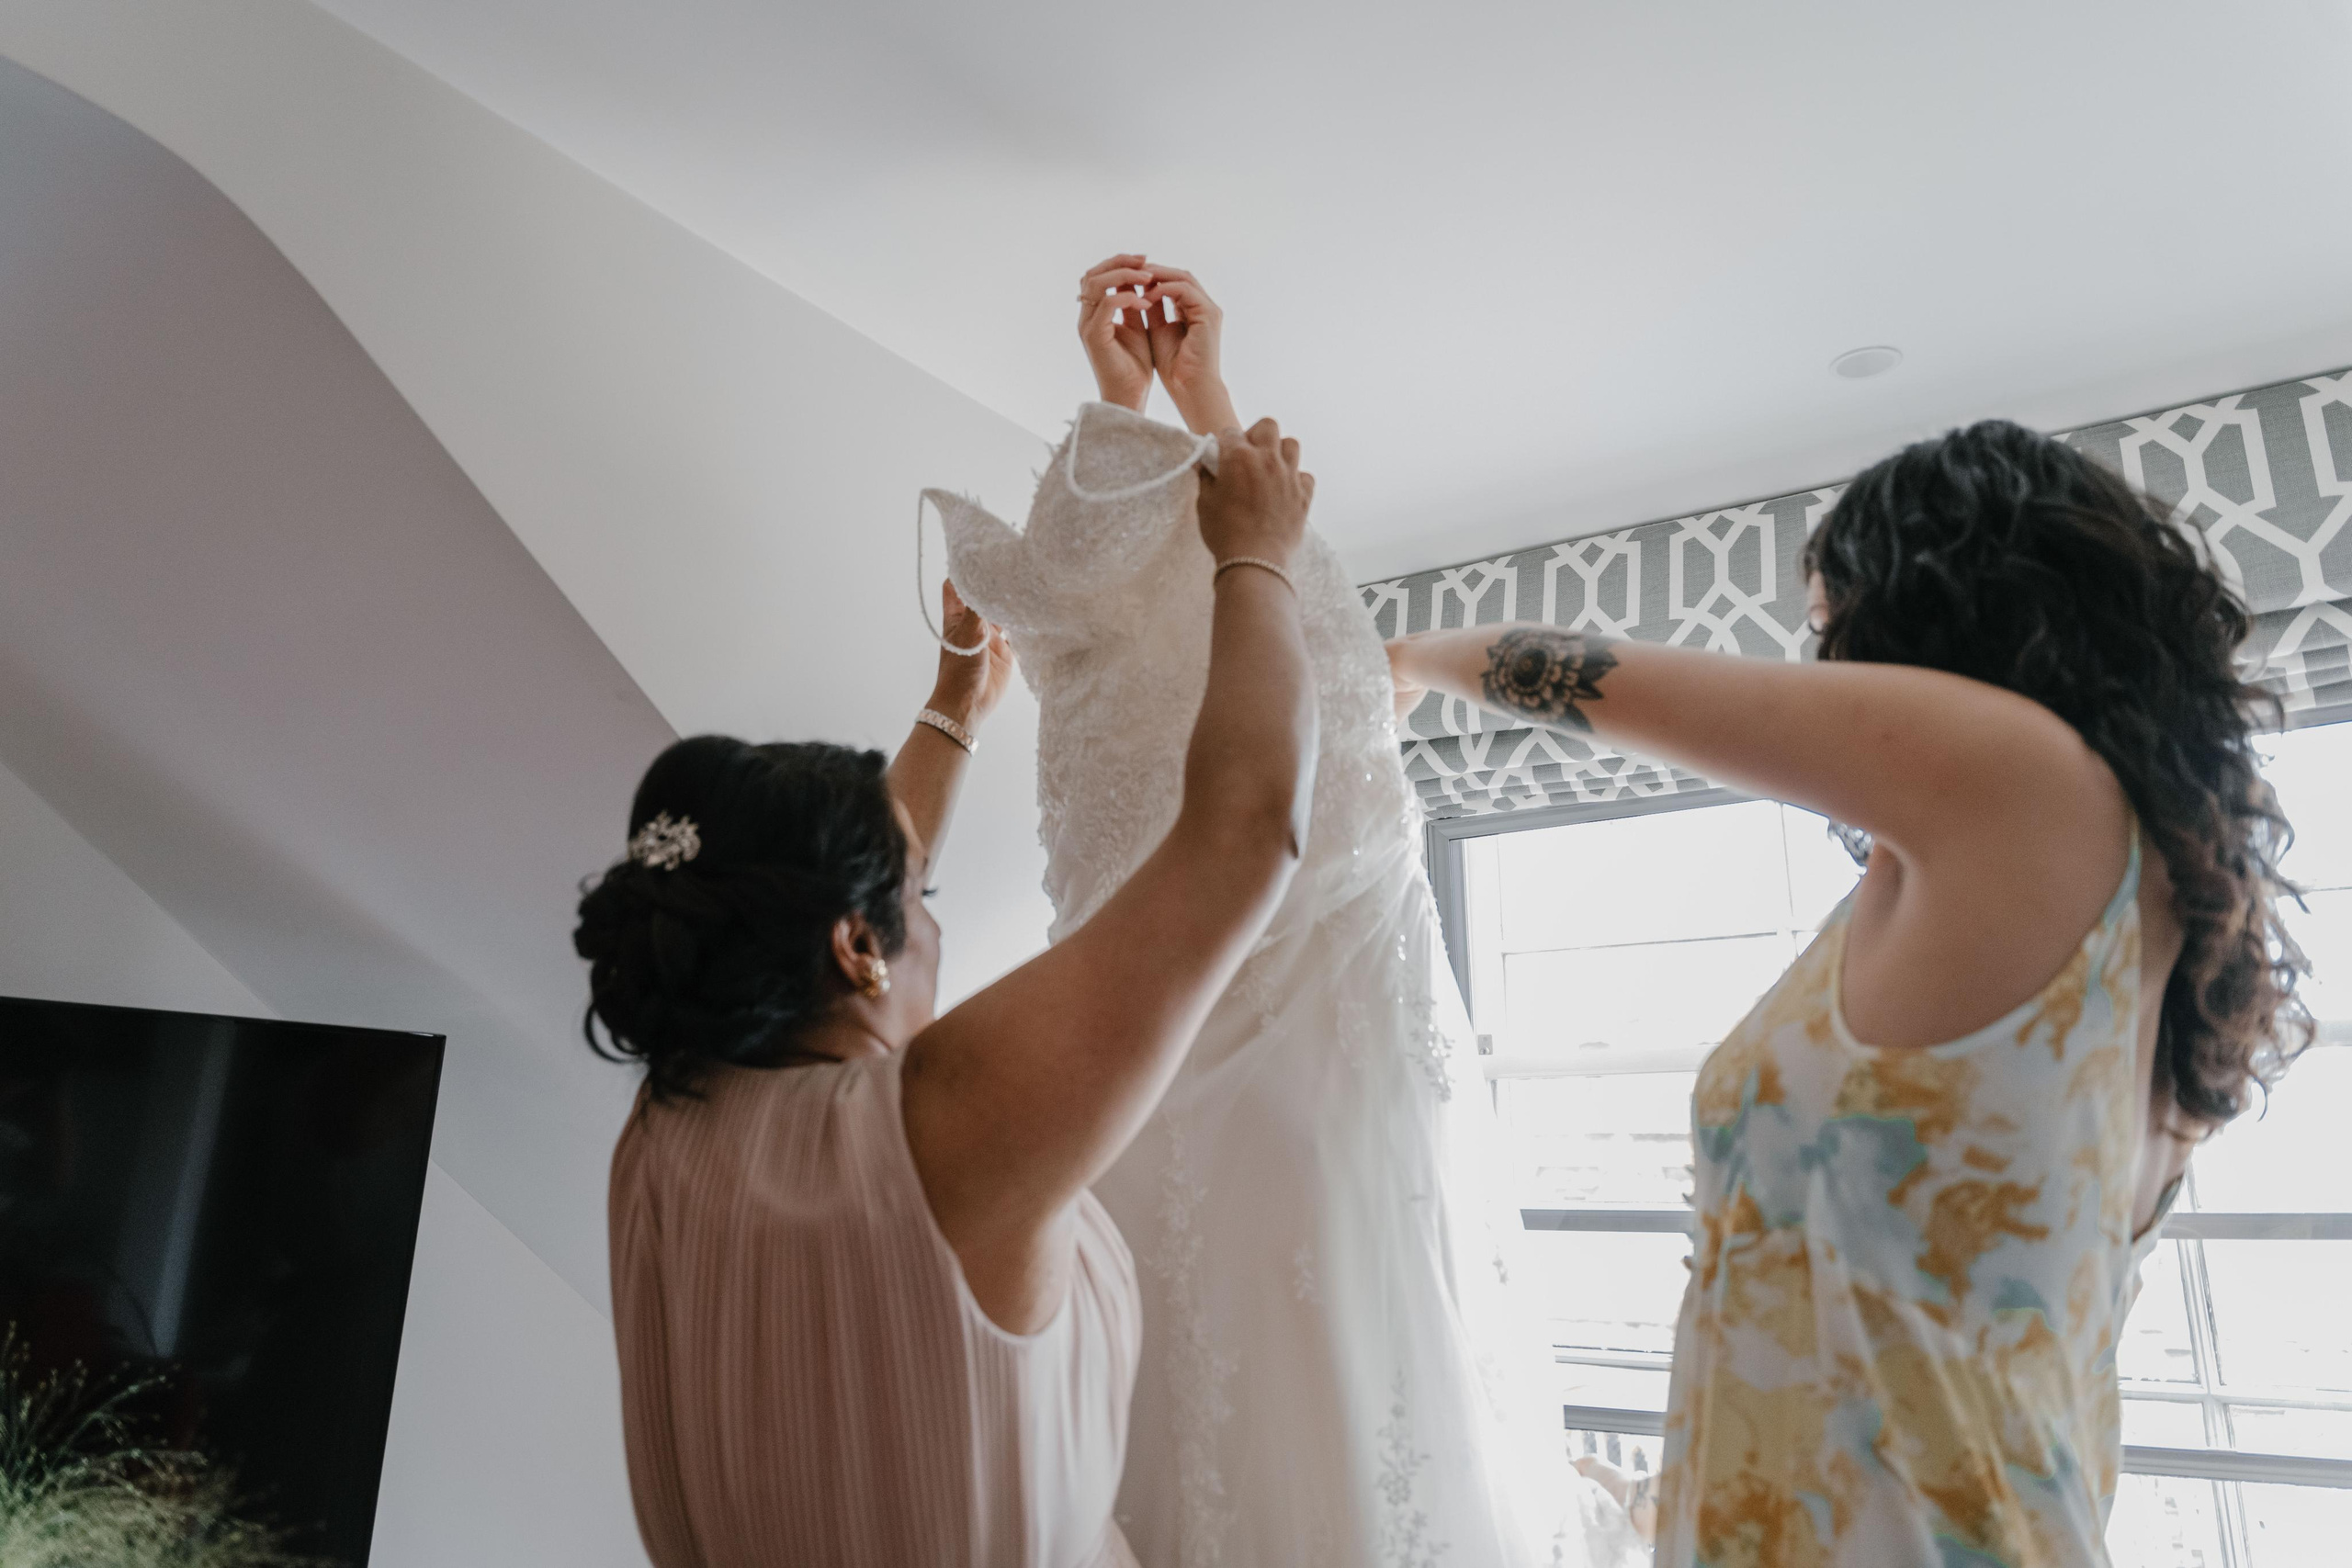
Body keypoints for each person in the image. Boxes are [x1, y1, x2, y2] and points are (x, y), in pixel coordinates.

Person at [1385, 420, 2311, 1567]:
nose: (1826, 665)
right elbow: (1875, 1322)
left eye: (1835, 627)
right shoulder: (2073, 894)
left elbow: (1613, 685)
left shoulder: (2040, 793)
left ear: (1934, 610)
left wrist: (1404, 660)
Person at [937, 259, 1640, 1566]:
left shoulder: (1141, 897)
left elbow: (1276, 643)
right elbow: (1293, 645)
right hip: (1279, 1136)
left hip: (1201, 1140)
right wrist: (1189, 408)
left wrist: (1176, 406)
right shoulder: (1292, 809)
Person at [572, 371, 1319, 1563]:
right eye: (915, 898)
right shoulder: (946, 1120)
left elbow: (858, 898)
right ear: (855, 944)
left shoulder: (667, 1129)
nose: (928, 903)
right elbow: (1247, 826)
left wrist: (957, 701)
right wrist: (1260, 557)